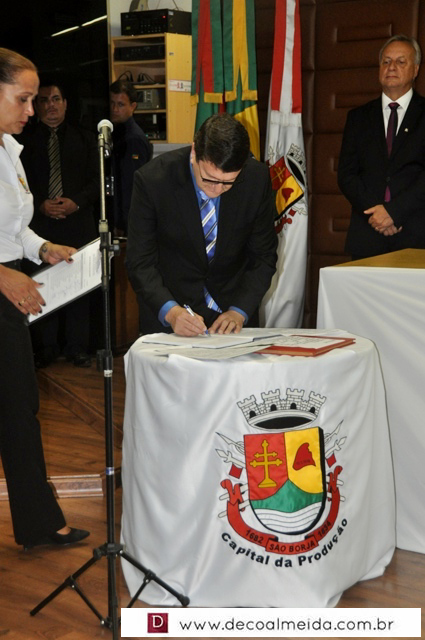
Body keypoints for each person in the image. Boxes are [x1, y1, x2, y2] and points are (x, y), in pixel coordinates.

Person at [0, 48, 89, 549]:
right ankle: (40, 522)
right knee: (15, 407)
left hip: (9, 283)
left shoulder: (9, 149)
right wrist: (2, 276)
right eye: (23, 98)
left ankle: (38, 522)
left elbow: (14, 229)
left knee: (18, 407)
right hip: (2, 284)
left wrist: (43, 248)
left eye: (35, 99)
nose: (32, 110)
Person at [126, 113, 278, 336]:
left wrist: (239, 311)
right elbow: (140, 262)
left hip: (233, 317)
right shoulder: (153, 181)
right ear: (194, 152)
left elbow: (264, 256)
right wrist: (171, 312)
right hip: (171, 315)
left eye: (228, 183)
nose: (216, 189)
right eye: (208, 178)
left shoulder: (257, 179)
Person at [18, 80, 99, 367]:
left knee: (79, 287)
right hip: (39, 228)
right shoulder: (21, 143)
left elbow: (97, 181)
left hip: (78, 222)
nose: (50, 105)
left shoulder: (87, 139)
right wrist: (41, 203)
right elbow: (19, 185)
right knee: (43, 286)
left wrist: (76, 202)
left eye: (55, 99)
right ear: (36, 106)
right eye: (44, 100)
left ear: (65, 103)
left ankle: (78, 347)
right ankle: (46, 348)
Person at [338, 34, 425, 259]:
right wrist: (377, 214)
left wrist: (394, 212)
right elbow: (347, 175)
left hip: (416, 234)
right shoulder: (358, 117)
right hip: (367, 234)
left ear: (415, 70)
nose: (391, 67)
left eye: (400, 61)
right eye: (386, 61)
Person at [109, 79, 153, 236]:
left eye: (120, 105)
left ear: (133, 106)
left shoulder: (133, 138)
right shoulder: (117, 132)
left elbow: (130, 186)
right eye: (112, 103)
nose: (115, 109)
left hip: (128, 221)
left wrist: (122, 223)